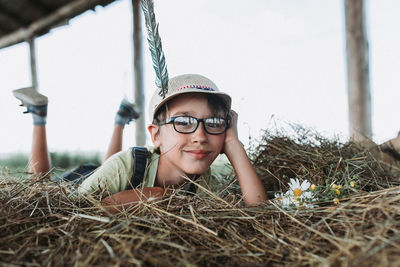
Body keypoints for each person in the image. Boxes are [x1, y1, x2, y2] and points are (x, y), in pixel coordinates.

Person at [14, 74, 268, 208]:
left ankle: (120, 119)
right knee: (39, 186)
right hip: (78, 182)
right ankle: (39, 117)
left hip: (114, 174)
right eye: (183, 122)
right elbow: (69, 212)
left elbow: (258, 211)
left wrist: (233, 144)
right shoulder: (126, 164)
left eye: (213, 123)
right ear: (155, 135)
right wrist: (154, 195)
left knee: (114, 168)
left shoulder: (206, 183)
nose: (200, 137)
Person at [13, 86, 139, 177]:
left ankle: (39, 117)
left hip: (82, 181)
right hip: (90, 176)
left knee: (39, 191)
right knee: (105, 177)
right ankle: (121, 119)